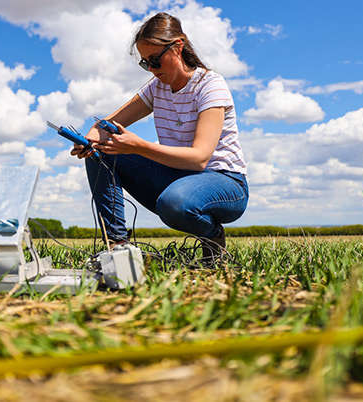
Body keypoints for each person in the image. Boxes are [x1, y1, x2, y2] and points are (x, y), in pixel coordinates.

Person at [71, 12, 248, 259]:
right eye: (145, 63)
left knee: (174, 203)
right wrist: (89, 142)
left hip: (225, 182)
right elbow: (104, 124)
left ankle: (212, 236)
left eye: (155, 60)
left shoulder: (211, 85)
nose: (152, 69)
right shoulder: (157, 88)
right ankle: (118, 249)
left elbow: (199, 159)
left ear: (178, 46)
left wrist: (139, 146)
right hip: (179, 178)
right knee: (100, 153)